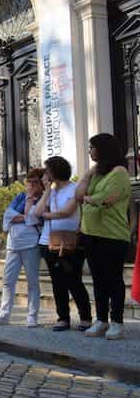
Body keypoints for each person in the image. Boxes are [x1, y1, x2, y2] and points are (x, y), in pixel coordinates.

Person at [77, 134, 131, 340]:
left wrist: (89, 198)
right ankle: (101, 320)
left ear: (103, 149)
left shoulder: (120, 172)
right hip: (91, 233)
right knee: (98, 280)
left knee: (114, 280)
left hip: (112, 234)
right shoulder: (97, 173)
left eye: (92, 148)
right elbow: (78, 195)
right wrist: (88, 174)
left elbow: (107, 199)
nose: (90, 151)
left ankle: (117, 321)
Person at [31, 156, 92, 332]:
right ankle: (63, 318)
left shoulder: (74, 189)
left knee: (74, 280)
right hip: (48, 242)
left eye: (48, 171)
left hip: (70, 241)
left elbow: (68, 211)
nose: (46, 174)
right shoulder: (52, 191)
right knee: (57, 282)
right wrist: (47, 191)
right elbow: (37, 212)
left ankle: (86, 317)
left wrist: (49, 215)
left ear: (56, 171)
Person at [0, 168, 44, 327]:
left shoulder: (43, 200)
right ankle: (4, 314)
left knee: (32, 281)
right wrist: (27, 218)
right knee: (8, 280)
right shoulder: (20, 197)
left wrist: (27, 213)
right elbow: (8, 215)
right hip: (14, 243)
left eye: (35, 182)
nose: (31, 184)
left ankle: (32, 317)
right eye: (29, 181)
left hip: (31, 244)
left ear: (41, 184)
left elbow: (35, 218)